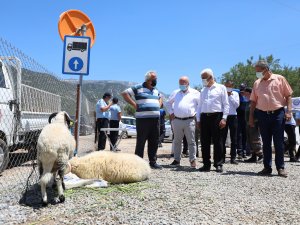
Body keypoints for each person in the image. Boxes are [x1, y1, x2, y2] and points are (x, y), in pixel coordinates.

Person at [249, 60, 293, 177]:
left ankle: (280, 168)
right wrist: (251, 117)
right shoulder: (257, 83)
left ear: (266, 69)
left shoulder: (280, 79)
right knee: (266, 142)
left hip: (278, 114)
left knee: (278, 142)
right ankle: (267, 168)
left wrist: (289, 111)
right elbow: (253, 101)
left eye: (259, 71)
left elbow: (288, 96)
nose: (257, 74)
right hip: (262, 115)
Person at [122, 71, 162, 169]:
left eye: (156, 78)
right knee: (141, 141)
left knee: (154, 141)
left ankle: (152, 162)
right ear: (148, 79)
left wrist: (158, 105)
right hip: (143, 120)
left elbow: (160, 97)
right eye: (154, 79)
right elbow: (124, 93)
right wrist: (134, 104)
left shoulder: (155, 90)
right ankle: (138, 162)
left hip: (155, 119)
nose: (155, 80)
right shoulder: (138, 87)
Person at [197, 68, 229, 172]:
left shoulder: (221, 88)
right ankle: (206, 164)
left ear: (211, 77)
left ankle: (218, 164)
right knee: (204, 141)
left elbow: (226, 104)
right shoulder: (203, 90)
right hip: (204, 117)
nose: (203, 80)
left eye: (204, 78)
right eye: (202, 78)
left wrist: (224, 118)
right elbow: (199, 106)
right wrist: (198, 119)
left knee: (218, 141)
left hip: (217, 116)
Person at [166, 76, 200, 168]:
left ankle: (192, 160)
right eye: (180, 83)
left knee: (191, 141)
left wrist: (198, 118)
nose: (182, 85)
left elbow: (200, 105)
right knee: (177, 141)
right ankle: (176, 160)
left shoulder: (195, 93)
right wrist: (171, 113)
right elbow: (168, 103)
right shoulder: (175, 93)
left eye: (183, 83)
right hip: (177, 120)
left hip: (190, 120)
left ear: (188, 83)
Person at [243, 87, 263, 163]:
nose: (244, 95)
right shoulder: (248, 102)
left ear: (249, 93)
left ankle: (261, 155)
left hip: (254, 124)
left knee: (255, 139)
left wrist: (254, 122)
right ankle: (253, 156)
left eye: (245, 93)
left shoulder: (255, 101)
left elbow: (257, 113)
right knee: (249, 140)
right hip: (248, 124)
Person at [222, 80, 240, 164]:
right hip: (224, 117)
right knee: (223, 137)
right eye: (227, 86)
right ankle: (222, 157)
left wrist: (230, 96)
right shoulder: (222, 93)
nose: (228, 88)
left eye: (229, 86)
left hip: (233, 116)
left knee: (234, 138)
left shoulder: (235, 94)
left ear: (232, 87)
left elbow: (237, 105)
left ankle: (233, 158)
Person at [236, 83, 248, 158]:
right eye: (241, 88)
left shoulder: (248, 96)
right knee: (239, 135)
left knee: (245, 135)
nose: (242, 90)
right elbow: (232, 90)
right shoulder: (237, 94)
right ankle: (239, 152)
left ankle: (245, 151)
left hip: (246, 118)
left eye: (243, 88)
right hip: (238, 118)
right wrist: (239, 92)